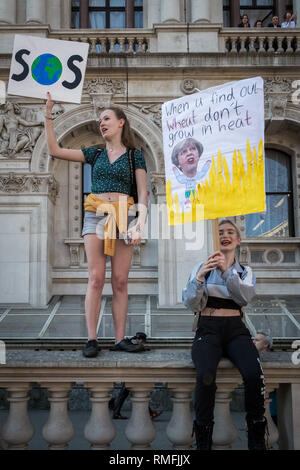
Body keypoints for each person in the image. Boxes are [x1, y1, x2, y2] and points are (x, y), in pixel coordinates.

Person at [45, 92, 148, 357]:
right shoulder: (95, 153)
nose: (102, 122)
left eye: (106, 118)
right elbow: (54, 150)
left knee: (121, 281)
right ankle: (91, 339)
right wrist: (48, 115)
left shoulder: (135, 156)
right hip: (96, 214)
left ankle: (120, 338)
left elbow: (143, 193)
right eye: (100, 119)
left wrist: (139, 225)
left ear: (121, 122)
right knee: (95, 278)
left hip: (125, 217)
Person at [183, 219, 267, 450]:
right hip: (207, 328)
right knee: (206, 376)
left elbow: (244, 298)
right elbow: (191, 304)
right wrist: (199, 277)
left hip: (235, 329)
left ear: (238, 240)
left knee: (252, 373)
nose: (225, 235)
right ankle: (203, 440)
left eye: (231, 232)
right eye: (220, 232)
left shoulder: (245, 272)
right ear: (214, 237)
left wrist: (227, 272)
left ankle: (257, 437)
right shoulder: (201, 268)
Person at [108, 332, 162, 419]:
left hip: (130, 373)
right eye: (142, 341)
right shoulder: (130, 345)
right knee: (138, 392)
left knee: (127, 393)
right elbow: (136, 349)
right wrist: (143, 347)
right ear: (138, 339)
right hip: (129, 373)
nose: (143, 343)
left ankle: (115, 409)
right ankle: (150, 413)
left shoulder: (130, 344)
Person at [171, 137, 211, 209]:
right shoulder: (182, 179)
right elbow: (178, 177)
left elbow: (204, 171)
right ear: (178, 163)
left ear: (198, 155)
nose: (189, 153)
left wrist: (207, 164)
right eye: (183, 152)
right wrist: (175, 170)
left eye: (193, 148)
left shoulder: (200, 176)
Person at [253, 332, 277, 426]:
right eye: (253, 339)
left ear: (266, 344)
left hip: (273, 410)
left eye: (257, 340)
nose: (253, 342)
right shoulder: (253, 357)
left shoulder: (274, 359)